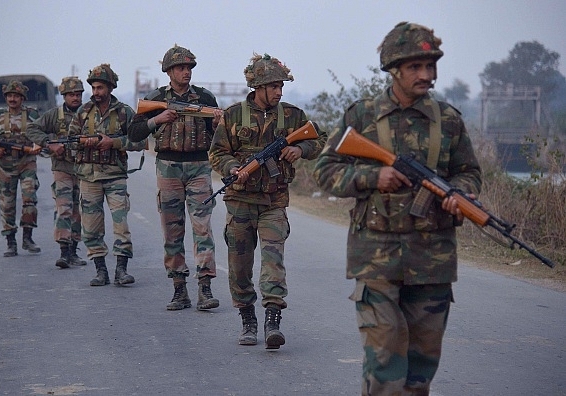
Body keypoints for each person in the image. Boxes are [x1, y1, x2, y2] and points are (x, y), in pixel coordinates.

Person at [313, 22, 482, 395]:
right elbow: (324, 171)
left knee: (420, 373)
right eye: (415, 67)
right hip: (375, 259)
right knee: (386, 364)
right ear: (394, 70)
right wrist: (375, 178)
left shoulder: (449, 120)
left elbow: (469, 173)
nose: (426, 75)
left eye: (430, 66)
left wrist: (462, 196)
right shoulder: (362, 117)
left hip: (432, 260)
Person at [209, 53, 327, 349]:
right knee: (239, 265)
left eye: (281, 86)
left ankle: (273, 319)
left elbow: (318, 139)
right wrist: (231, 169)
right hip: (239, 202)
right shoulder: (234, 115)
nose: (279, 91)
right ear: (258, 87)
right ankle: (248, 319)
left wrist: (300, 150)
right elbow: (216, 153)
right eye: (274, 86)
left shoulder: (292, 116)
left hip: (274, 201)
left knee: (273, 261)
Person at [128, 44, 222, 311]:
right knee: (172, 231)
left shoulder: (205, 98)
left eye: (189, 68)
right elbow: (133, 133)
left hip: (199, 168)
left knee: (203, 228)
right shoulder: (156, 98)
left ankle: (205, 288)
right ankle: (179, 289)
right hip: (168, 168)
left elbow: (217, 138)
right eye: (181, 68)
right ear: (169, 71)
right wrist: (158, 120)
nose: (186, 73)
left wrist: (215, 124)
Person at [68, 64, 147, 287]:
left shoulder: (124, 113)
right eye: (93, 87)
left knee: (121, 225)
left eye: (100, 87)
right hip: (88, 177)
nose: (96, 92)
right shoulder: (83, 112)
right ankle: (100, 270)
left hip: (115, 177)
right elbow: (70, 142)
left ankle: (121, 270)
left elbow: (140, 141)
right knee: (91, 227)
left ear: (110, 87)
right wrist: (85, 143)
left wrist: (113, 142)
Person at [27, 76, 87, 268]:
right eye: (71, 94)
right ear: (64, 96)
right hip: (62, 168)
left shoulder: (88, 114)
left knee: (79, 211)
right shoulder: (54, 115)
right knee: (64, 208)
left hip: (84, 169)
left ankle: (73, 250)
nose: (75, 98)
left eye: (78, 94)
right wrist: (49, 143)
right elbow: (32, 129)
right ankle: (63, 251)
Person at [0, 80, 41, 257]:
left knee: (29, 199)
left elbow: (42, 134)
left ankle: (27, 237)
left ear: (22, 98)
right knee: (7, 204)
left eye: (16, 96)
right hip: (6, 166)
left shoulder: (32, 114)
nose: (12, 99)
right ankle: (11, 242)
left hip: (26, 162)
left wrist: (38, 144)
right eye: (9, 96)